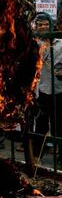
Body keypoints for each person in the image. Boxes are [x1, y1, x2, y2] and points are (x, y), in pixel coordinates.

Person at [32, 12, 62, 162]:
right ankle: (37, 156)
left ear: (52, 26)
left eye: (46, 24)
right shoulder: (34, 44)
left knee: (59, 126)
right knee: (41, 126)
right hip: (41, 91)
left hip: (59, 91)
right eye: (40, 25)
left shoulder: (61, 44)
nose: (43, 27)